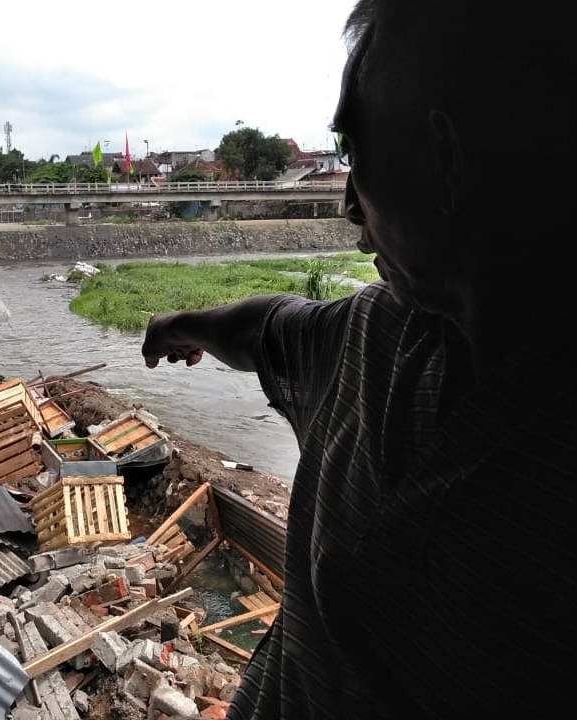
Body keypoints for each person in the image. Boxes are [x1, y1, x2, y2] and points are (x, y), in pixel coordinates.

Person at [141, 2, 577, 718]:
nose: (346, 201)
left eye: (356, 150)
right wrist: (176, 325)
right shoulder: (380, 335)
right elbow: (267, 331)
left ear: (446, 159)